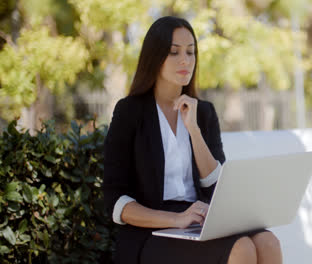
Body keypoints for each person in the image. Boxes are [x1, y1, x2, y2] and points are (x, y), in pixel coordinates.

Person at [103, 16, 282, 264]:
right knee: (241, 249)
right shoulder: (130, 112)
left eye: (190, 52)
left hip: (200, 221)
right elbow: (115, 200)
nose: (185, 60)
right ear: (155, 58)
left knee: (268, 243)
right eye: (174, 52)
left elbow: (215, 185)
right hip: (152, 232)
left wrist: (194, 130)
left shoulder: (204, 112)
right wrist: (176, 219)